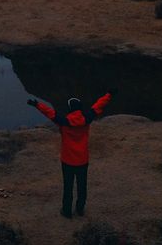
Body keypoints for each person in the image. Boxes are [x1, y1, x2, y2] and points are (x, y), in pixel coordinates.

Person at [27, 89, 116, 218]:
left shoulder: (63, 121)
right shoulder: (87, 119)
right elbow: (98, 105)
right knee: (82, 186)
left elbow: (50, 113)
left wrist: (37, 105)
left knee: (68, 187)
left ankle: (67, 211)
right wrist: (109, 95)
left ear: (70, 108)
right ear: (79, 108)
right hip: (82, 160)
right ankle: (80, 209)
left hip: (68, 160)